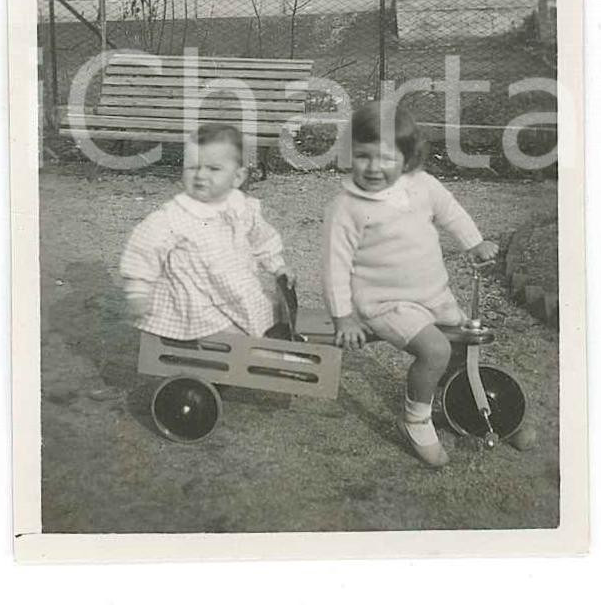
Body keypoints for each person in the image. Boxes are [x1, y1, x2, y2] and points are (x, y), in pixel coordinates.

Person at [322, 101, 498, 468]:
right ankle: (415, 421)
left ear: (407, 157)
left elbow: (451, 212)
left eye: (385, 158)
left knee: (464, 340)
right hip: (385, 302)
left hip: (431, 293)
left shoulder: (422, 185)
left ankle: (467, 404)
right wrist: (344, 318)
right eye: (363, 156)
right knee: (434, 350)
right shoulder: (347, 207)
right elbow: (335, 265)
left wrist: (474, 242)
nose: (372, 167)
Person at [120, 124, 288, 340]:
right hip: (195, 300)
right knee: (231, 337)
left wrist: (277, 266)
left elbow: (262, 239)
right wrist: (138, 289)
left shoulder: (242, 207)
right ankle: (250, 356)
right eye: (192, 167)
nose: (200, 175)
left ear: (237, 177)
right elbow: (144, 248)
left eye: (214, 169)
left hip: (233, 288)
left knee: (262, 311)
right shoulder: (174, 215)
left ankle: (266, 350)